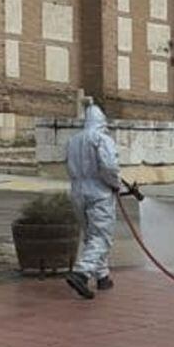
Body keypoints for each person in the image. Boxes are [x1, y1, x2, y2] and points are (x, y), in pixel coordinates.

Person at [64, 102, 122, 300]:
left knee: (91, 236)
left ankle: (102, 277)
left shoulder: (73, 140)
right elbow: (109, 167)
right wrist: (115, 184)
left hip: (78, 191)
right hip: (99, 192)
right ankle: (82, 273)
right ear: (102, 121)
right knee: (102, 237)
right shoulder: (101, 139)